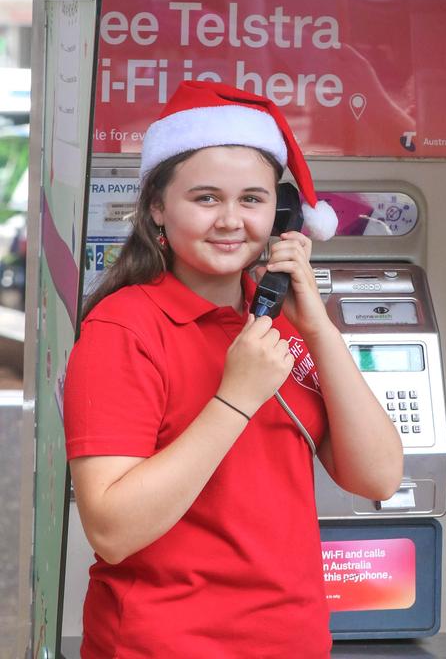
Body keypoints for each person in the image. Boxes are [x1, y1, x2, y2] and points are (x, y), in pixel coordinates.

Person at [64, 80, 403, 659]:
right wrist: (234, 399)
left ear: (282, 213)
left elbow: (379, 478)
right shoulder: (122, 329)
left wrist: (318, 327)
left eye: (252, 199)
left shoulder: (283, 328)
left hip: (292, 640)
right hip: (166, 645)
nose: (230, 220)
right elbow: (113, 531)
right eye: (205, 198)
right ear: (156, 208)